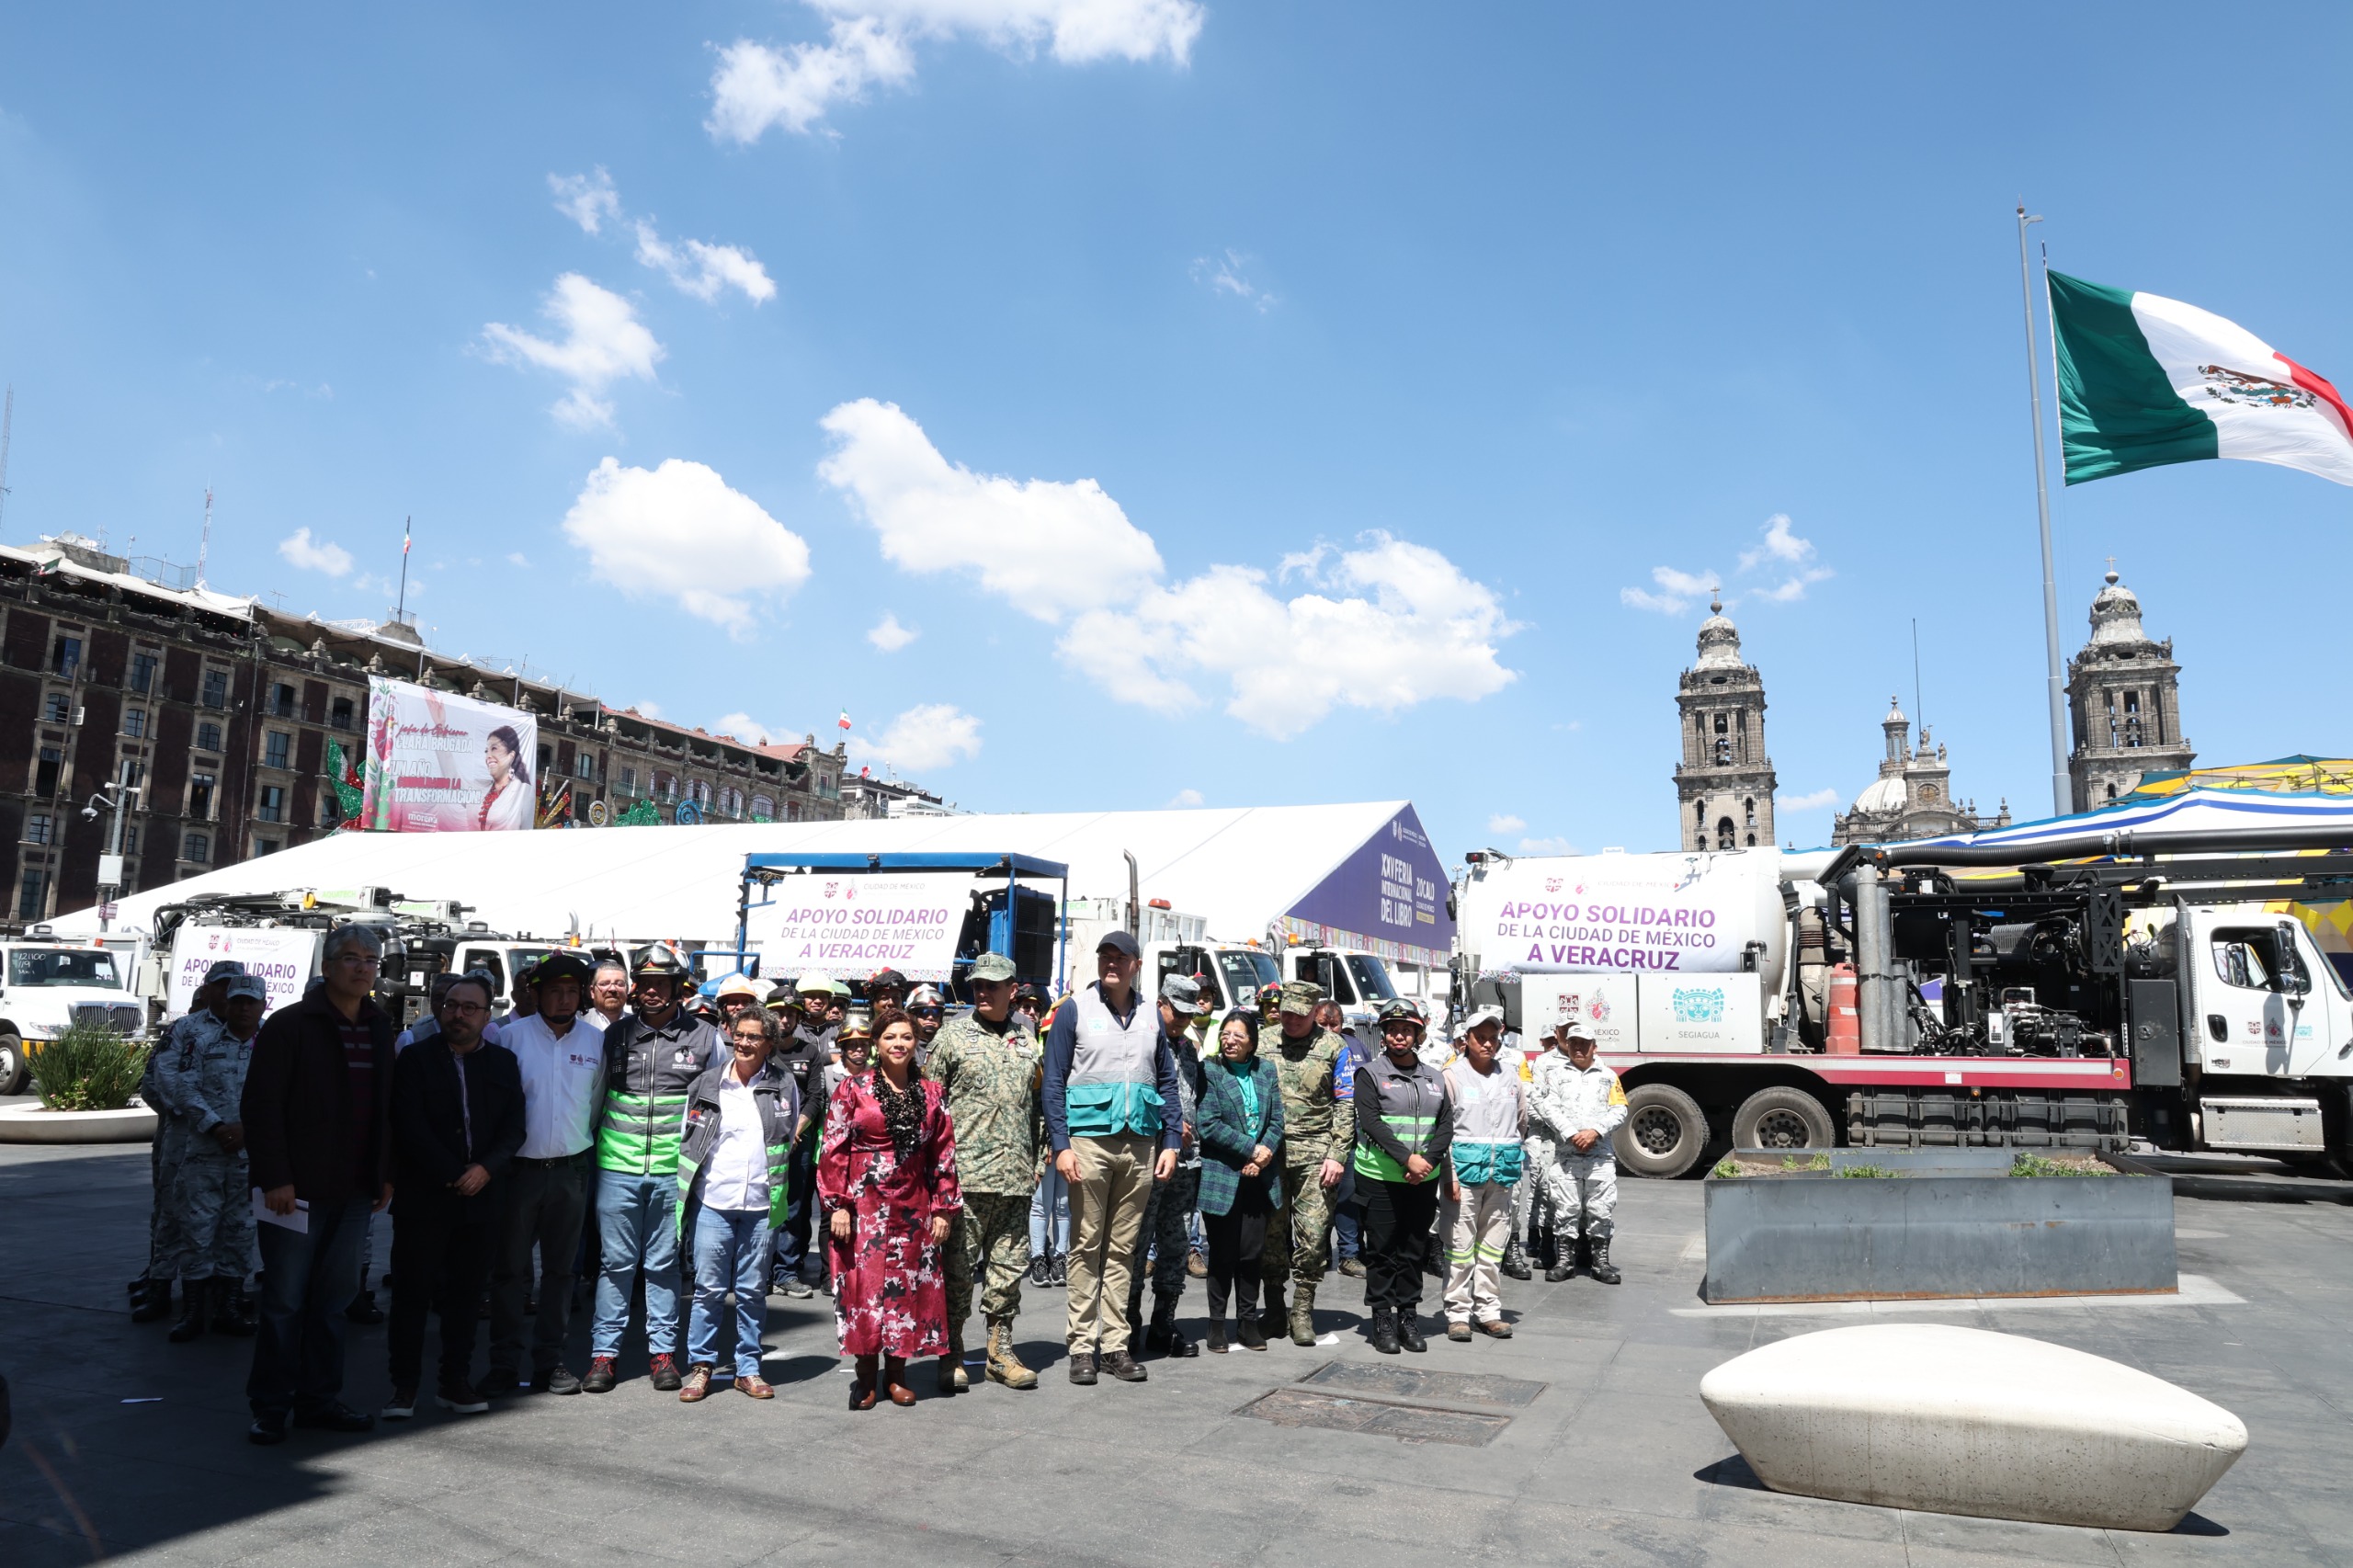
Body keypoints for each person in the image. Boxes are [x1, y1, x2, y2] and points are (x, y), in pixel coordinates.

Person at [240, 924, 395, 1444]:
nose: (361, 967)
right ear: (327, 966)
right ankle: (270, 1406)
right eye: (350, 958)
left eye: (370, 960)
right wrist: (275, 1179)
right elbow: (261, 1109)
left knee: (334, 1302)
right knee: (284, 1301)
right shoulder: (290, 1025)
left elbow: (385, 1111)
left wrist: (383, 1174)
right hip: (294, 1193)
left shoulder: (379, 1026)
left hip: (353, 1192)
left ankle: (319, 1400)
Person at [1042, 932, 1184, 1386]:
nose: (1111, 964)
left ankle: (1115, 1346)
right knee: (1086, 1245)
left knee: (1124, 1250)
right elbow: (1054, 1083)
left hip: (1140, 1143)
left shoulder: (1150, 1016)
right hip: (1088, 1144)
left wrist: (1171, 1142)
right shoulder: (1073, 1011)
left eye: (1120, 958)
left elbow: (1166, 1081)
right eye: (1105, 956)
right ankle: (1082, 1347)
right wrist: (1061, 1144)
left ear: (1136, 965)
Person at [383, 971, 524, 1419]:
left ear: (487, 1015)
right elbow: (410, 1128)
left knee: (465, 1299)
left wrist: (484, 1170)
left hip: (482, 1198)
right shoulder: (414, 1059)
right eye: (450, 1006)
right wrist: (454, 1173)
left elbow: (514, 1129)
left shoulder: (503, 1063)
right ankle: (404, 1387)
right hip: (424, 1198)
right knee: (412, 1295)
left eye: (469, 1008)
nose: (457, 1014)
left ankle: (454, 1382)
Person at [583, 949, 717, 1395]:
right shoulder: (614, 1035)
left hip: (671, 1174)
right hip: (615, 1170)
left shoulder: (704, 1037)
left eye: (664, 983)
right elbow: (595, 1099)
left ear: (680, 986)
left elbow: (713, 1108)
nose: (653, 990)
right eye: (646, 982)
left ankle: (663, 1355)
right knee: (615, 1265)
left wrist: (698, 1168)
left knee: (662, 1267)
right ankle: (605, 1355)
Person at [819, 1009, 961, 1409]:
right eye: (889, 1038)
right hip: (863, 1202)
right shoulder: (852, 1089)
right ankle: (865, 1376)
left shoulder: (933, 1093)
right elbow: (833, 1148)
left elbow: (943, 1153)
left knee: (906, 1285)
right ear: (876, 1044)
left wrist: (942, 1207)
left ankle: (896, 1374)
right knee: (863, 1287)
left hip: (913, 1204)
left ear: (916, 1043)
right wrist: (838, 1205)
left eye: (906, 1037)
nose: (898, 1044)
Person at [485, 952, 603, 1397]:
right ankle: (503, 1362)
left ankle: (550, 1361)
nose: (564, 998)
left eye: (572, 991)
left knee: (560, 1273)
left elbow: (595, 1104)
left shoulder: (595, 1042)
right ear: (536, 992)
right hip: (518, 1172)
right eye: (555, 990)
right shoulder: (508, 1037)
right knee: (510, 1272)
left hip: (571, 1170)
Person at [929, 952, 1044, 1392]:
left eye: (992, 985)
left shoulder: (1026, 1039)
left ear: (1012, 990)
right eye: (977, 984)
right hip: (966, 1177)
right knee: (957, 1272)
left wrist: (1039, 1156)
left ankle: (1000, 1353)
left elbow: (1035, 1106)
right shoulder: (951, 1038)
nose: (982, 991)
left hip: (1014, 1177)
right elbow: (931, 1110)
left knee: (1008, 1270)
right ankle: (952, 1354)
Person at [675, 1007, 798, 1403]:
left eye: (754, 1037)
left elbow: (787, 1137)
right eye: (739, 1035)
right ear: (730, 1035)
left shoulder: (784, 1083)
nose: (744, 1043)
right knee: (708, 1289)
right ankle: (702, 1368)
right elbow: (687, 1137)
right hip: (714, 1202)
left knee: (751, 1291)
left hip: (762, 1205)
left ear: (769, 1043)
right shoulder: (707, 1084)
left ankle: (748, 1369)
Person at [153, 974, 267, 1343]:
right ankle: (192, 1312)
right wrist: (216, 1126)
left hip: (252, 1156)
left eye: (252, 1002)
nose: (244, 1008)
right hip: (205, 1153)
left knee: (239, 1231)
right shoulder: (200, 1043)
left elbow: (286, 1093)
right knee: (197, 1231)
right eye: (238, 1001)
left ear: (263, 1005)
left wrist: (249, 1128)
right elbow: (184, 1089)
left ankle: (229, 1308)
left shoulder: (274, 1045)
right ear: (227, 1004)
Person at [135, 960, 244, 1324]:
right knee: (171, 1211)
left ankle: (219, 1291)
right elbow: (166, 1079)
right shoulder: (187, 1028)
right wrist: (201, 1120)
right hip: (186, 1133)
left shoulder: (253, 1031)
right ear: (208, 987)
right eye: (221, 984)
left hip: (237, 1138)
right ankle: (160, 1287)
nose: (228, 991)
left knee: (229, 1219)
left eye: (235, 984)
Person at [1349, 999, 1452, 1355]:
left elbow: (1445, 1124)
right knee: (1382, 1251)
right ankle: (1382, 1319)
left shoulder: (1434, 1078)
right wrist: (1407, 1159)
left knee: (1413, 1250)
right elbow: (1371, 1122)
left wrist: (1427, 1161)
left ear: (1418, 1035)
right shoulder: (1370, 1074)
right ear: (1384, 1035)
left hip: (1422, 1179)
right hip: (1380, 1177)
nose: (1399, 1036)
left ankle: (1408, 1316)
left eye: (1407, 1030)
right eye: (1392, 1029)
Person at [1258, 981, 1355, 1347]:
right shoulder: (1265, 1042)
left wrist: (1337, 1154)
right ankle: (1274, 1307)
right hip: (1269, 1153)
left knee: (1313, 1237)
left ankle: (1302, 1309)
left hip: (1316, 1154)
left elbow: (1345, 1105)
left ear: (1315, 1012)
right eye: (1285, 1013)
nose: (1291, 1021)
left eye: (1299, 1015)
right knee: (1270, 1235)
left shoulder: (1334, 1047)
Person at [1195, 1007, 1282, 1353]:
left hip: (1259, 1178)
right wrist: (1251, 1150)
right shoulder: (1211, 1070)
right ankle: (1217, 1324)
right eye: (1226, 1034)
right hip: (1224, 1175)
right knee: (1223, 1255)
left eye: (1238, 1036)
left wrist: (1263, 1156)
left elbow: (1277, 1120)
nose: (1230, 1041)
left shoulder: (1266, 1071)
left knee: (1251, 1254)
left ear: (1252, 1043)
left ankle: (1248, 1323)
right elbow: (1209, 1123)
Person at [1131, 974, 1206, 1359]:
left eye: (1188, 1015)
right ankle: (1127, 1327)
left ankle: (1164, 1323)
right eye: (1176, 1012)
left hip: (1185, 1163)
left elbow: (1195, 1096)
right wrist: (1169, 1124)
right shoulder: (1142, 1040)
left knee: (1176, 1245)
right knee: (1137, 1246)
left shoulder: (1188, 1049)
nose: (1181, 1020)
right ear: (1161, 1004)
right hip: (1149, 1156)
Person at [1441, 1005, 1524, 1340]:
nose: (1488, 1044)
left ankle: (1488, 1310)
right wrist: (1449, 1176)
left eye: (1493, 1038)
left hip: (1502, 1174)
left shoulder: (1511, 1077)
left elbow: (1522, 1122)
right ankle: (1458, 1313)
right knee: (1460, 1246)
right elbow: (1442, 1130)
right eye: (1481, 1038)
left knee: (1492, 1247)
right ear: (1466, 1040)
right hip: (1464, 1174)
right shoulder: (1451, 1076)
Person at [1529, 1026, 1627, 1285]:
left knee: (1601, 1209)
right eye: (1573, 1044)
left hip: (1599, 1156)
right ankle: (1565, 1262)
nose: (1579, 1049)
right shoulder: (1556, 1074)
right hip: (1566, 1156)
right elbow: (1546, 1106)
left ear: (1595, 1046)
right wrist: (1572, 1133)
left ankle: (1600, 1263)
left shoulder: (1608, 1076)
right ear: (1567, 1045)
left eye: (1584, 1044)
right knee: (1566, 1209)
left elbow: (1619, 1110)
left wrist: (1595, 1131)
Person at [771, 972, 841, 1299]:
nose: (785, 1019)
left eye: (790, 1014)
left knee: (795, 1207)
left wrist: (796, 1129)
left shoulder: (809, 1051)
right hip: (763, 1139)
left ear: (798, 1018)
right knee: (762, 1204)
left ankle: (785, 1272)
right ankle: (758, 1271)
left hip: (800, 1140)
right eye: (779, 1013)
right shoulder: (760, 1048)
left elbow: (815, 1097)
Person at [1326, 1000, 1376, 1282]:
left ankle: (1348, 1254)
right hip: (1318, 1133)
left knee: (1348, 1194)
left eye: (1334, 1023)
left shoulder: (1355, 1046)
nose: (1330, 1029)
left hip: (1353, 1132)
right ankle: (1319, 1251)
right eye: (1323, 1023)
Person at [479, 724, 533, 830]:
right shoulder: (480, 787)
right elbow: (453, 781)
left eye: (494, 748)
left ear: (511, 755)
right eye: (486, 751)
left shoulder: (523, 790)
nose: (488, 756)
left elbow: (526, 830)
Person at [587, 959, 631, 1029]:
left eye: (619, 984)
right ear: (592, 991)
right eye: (604, 984)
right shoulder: (577, 1022)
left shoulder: (637, 1024)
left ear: (627, 991)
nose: (612, 989)